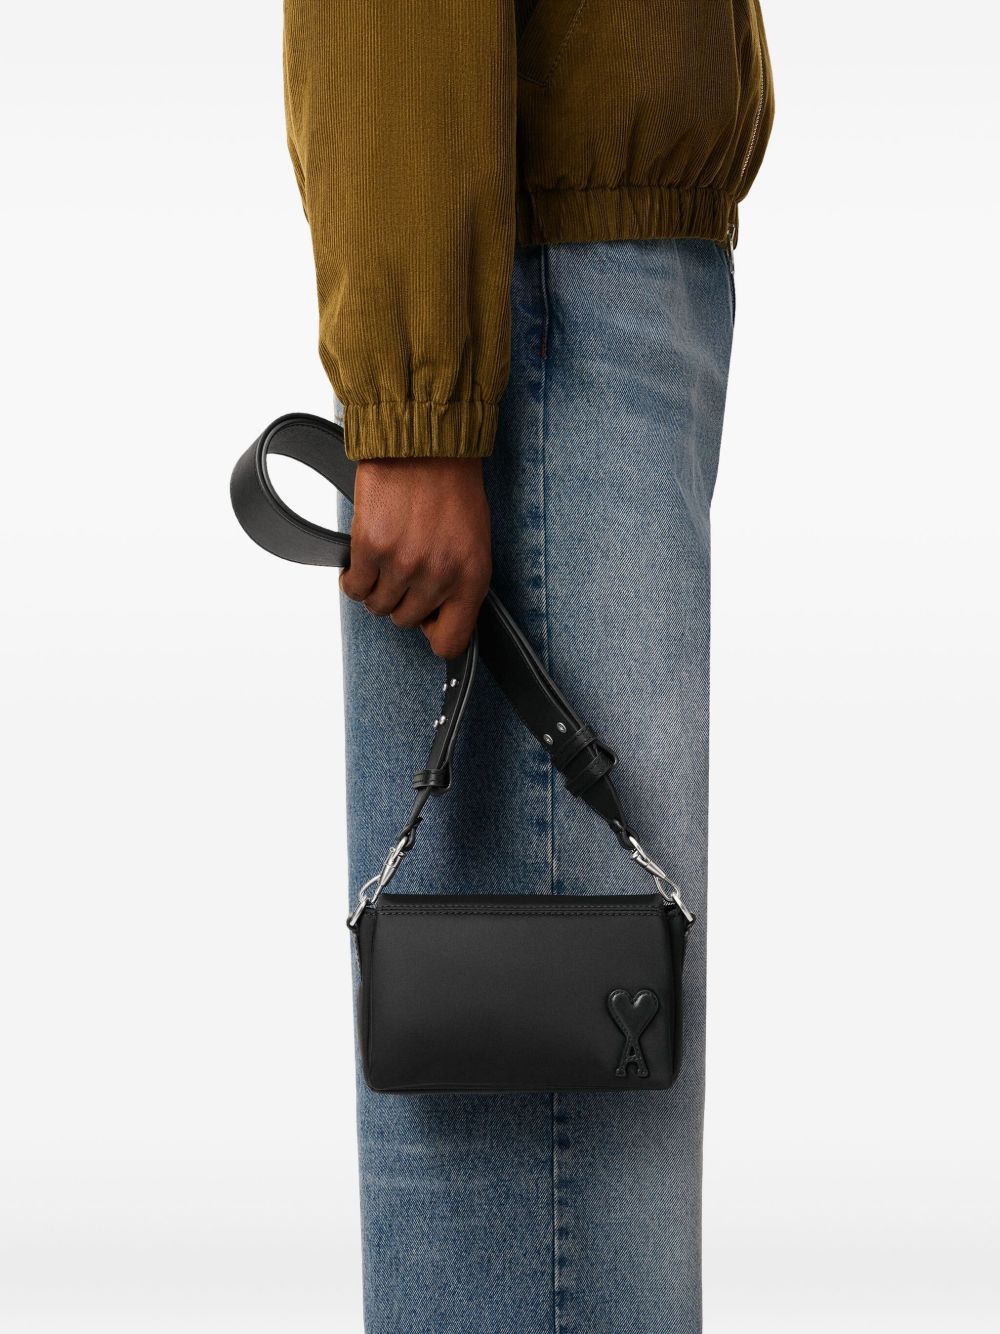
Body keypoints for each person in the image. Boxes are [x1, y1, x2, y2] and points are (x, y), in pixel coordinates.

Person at [283, 3, 773, 1329]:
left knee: (596, 1129)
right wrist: (421, 404)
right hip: (536, 299)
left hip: (591, 276)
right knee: (551, 1148)